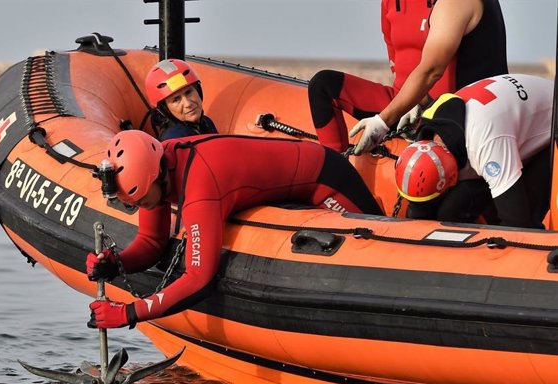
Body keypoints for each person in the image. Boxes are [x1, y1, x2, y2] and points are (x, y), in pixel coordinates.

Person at [85, 131, 384, 329]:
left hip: (327, 179)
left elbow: (199, 279)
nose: (141, 207)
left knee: (377, 248)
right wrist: (115, 263)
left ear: (155, 175)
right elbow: (152, 241)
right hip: (297, 182)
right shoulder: (160, 166)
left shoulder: (200, 186)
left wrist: (129, 314)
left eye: (140, 200)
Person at [308, 0, 507, 155]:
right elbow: (397, 62)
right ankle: (334, 170)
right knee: (323, 85)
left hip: (453, 114)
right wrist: (410, 103)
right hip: (408, 106)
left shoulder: (455, 4)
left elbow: (432, 70)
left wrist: (382, 122)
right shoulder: (390, 3)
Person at [394, 73, 553, 229]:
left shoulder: (486, 144)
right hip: (510, 121)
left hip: (549, 129)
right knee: (450, 211)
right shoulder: (428, 129)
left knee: (525, 217)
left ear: (454, 177)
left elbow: (517, 223)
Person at [145, 59, 218, 141]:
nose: (188, 104)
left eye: (188, 92)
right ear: (165, 109)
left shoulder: (207, 122)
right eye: (176, 100)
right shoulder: (174, 140)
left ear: (198, 90)